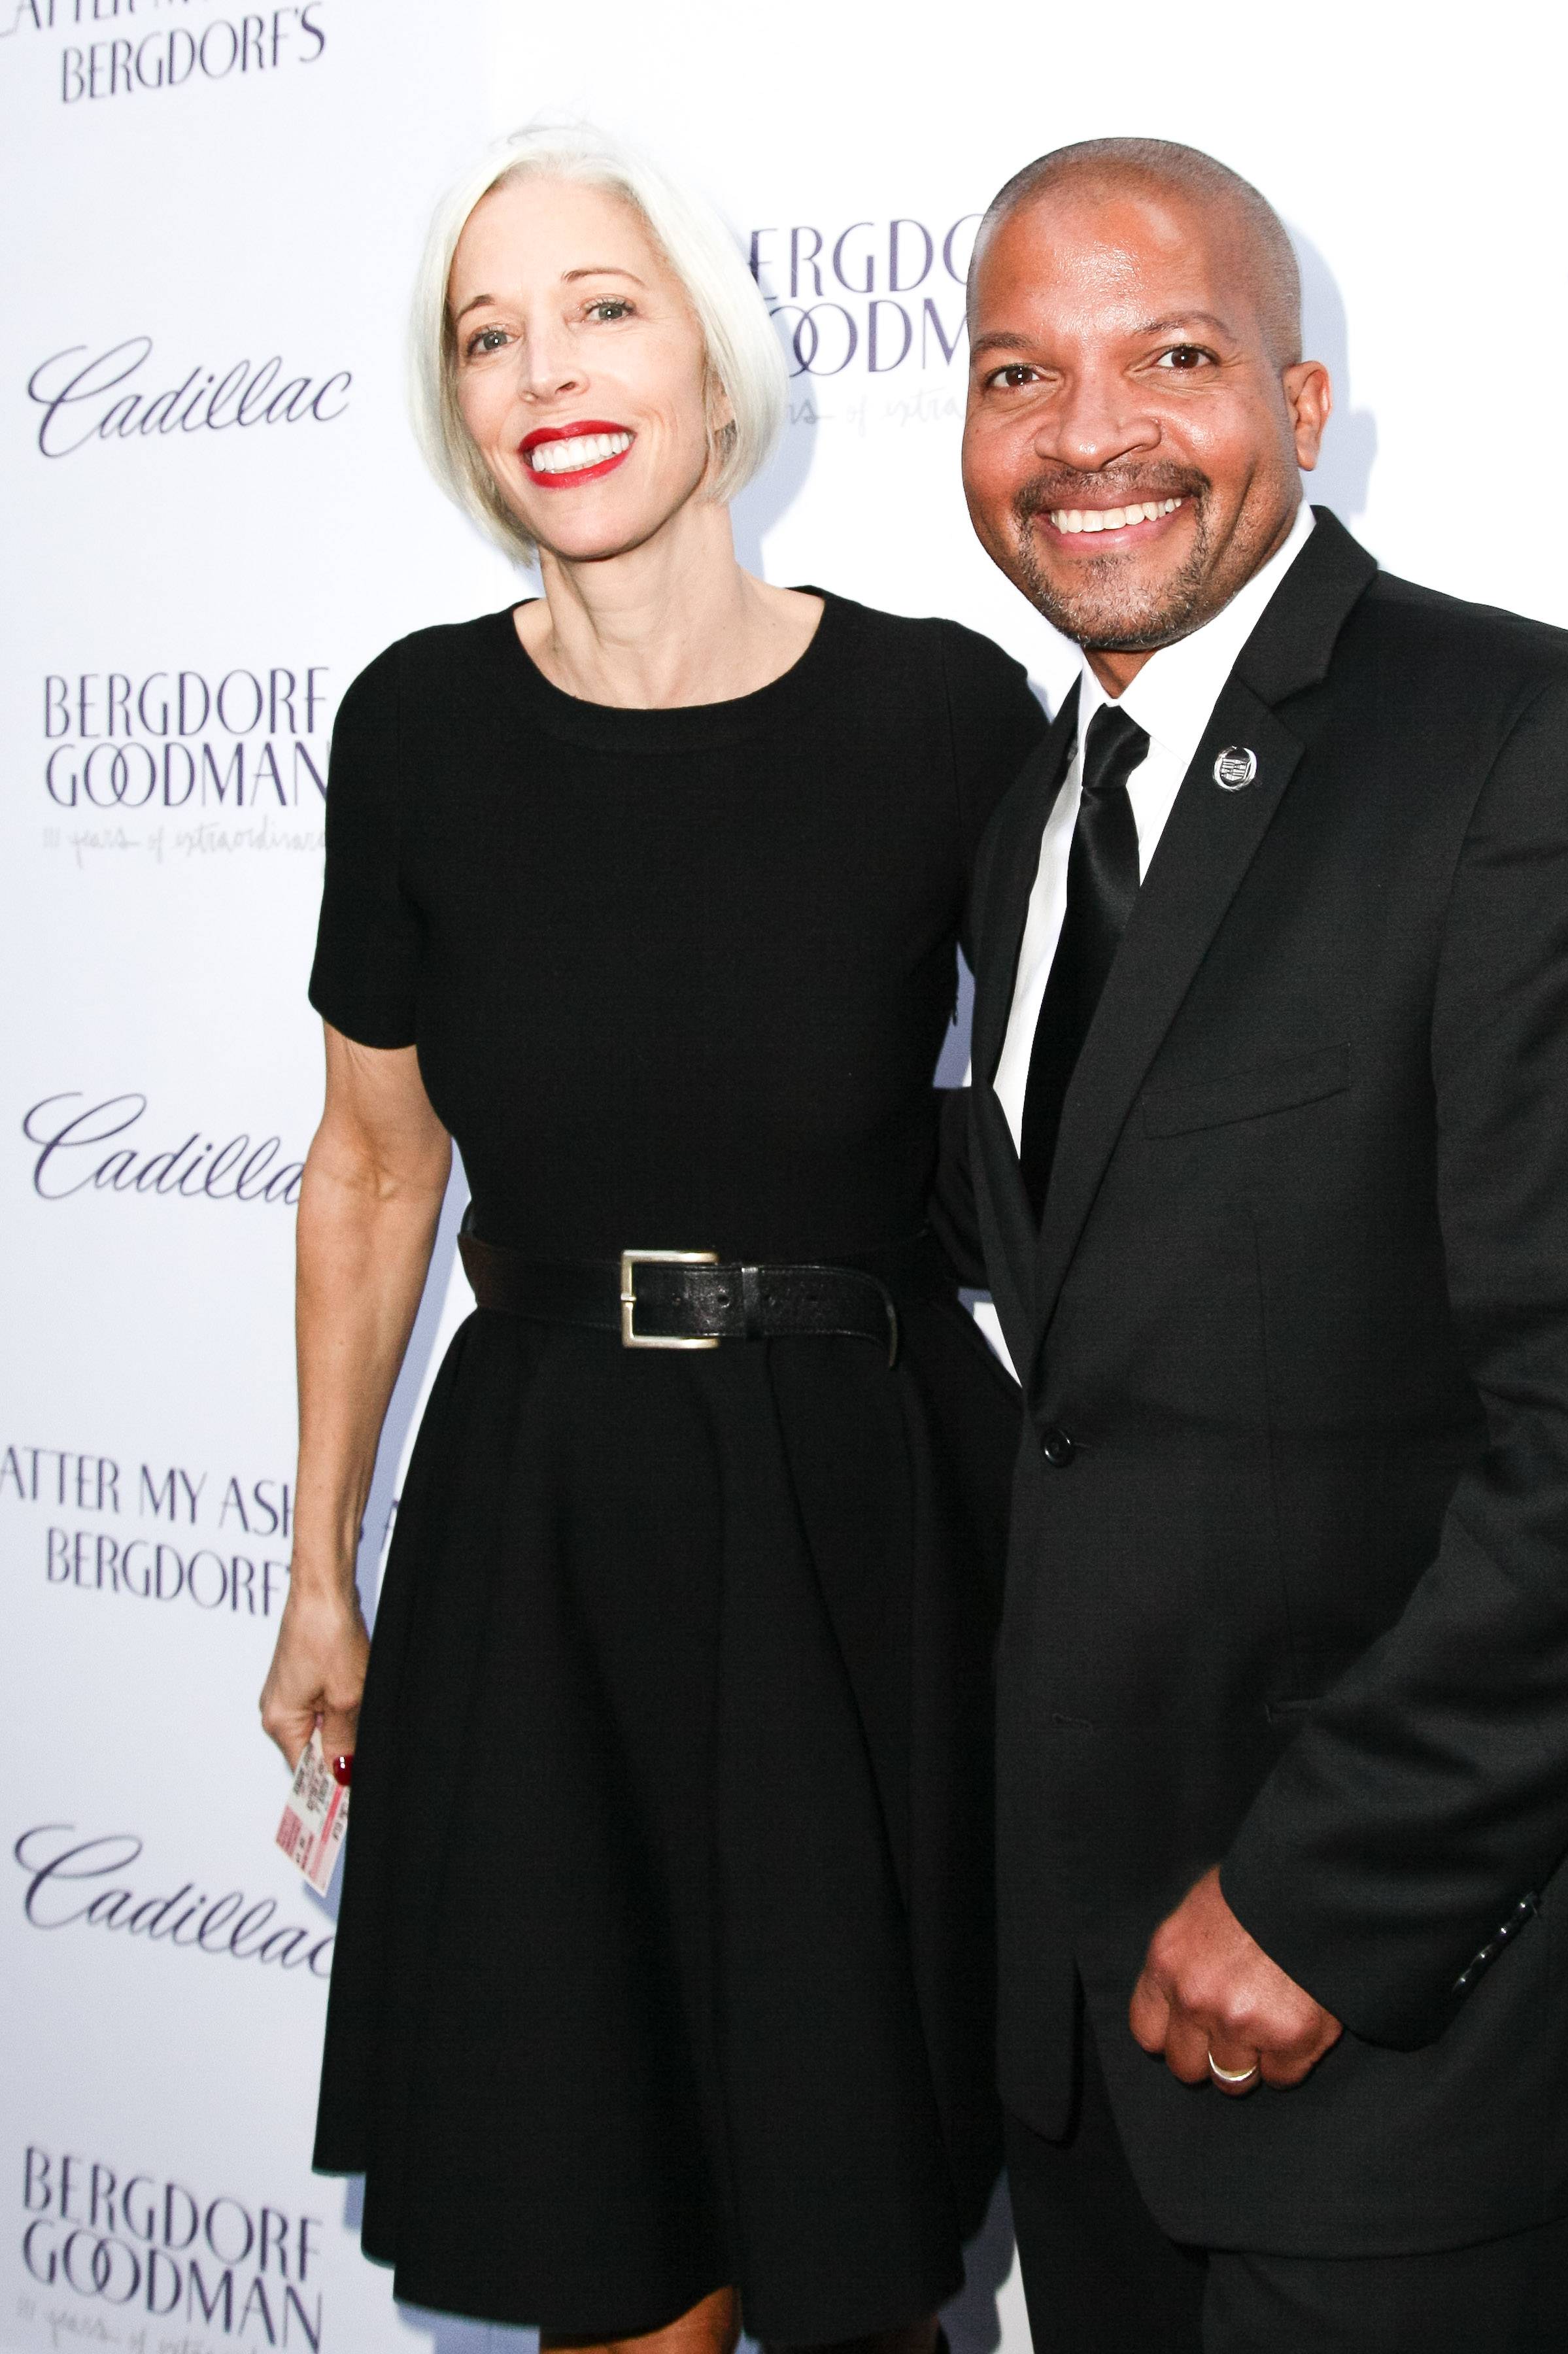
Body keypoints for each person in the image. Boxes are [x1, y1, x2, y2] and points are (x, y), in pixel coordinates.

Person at [955, 137, 1568, 2352]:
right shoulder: (1030, 813)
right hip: (1089, 2027)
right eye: (1020, 373)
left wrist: (1331, 1894)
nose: (1090, 436)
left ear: (1303, 406)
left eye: (1173, 357)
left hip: (1410, 2015)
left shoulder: (1535, 746)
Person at [256, 126, 1044, 2354]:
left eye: (602, 307)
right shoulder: (418, 729)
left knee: (863, 2257)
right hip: (548, 1536)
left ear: (714, 365)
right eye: (487, 335)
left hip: (864, 1529)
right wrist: (319, 1568)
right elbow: (374, 1168)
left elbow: (1091, 1126)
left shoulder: (941, 715)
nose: (547, 370)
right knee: (610, 2257)